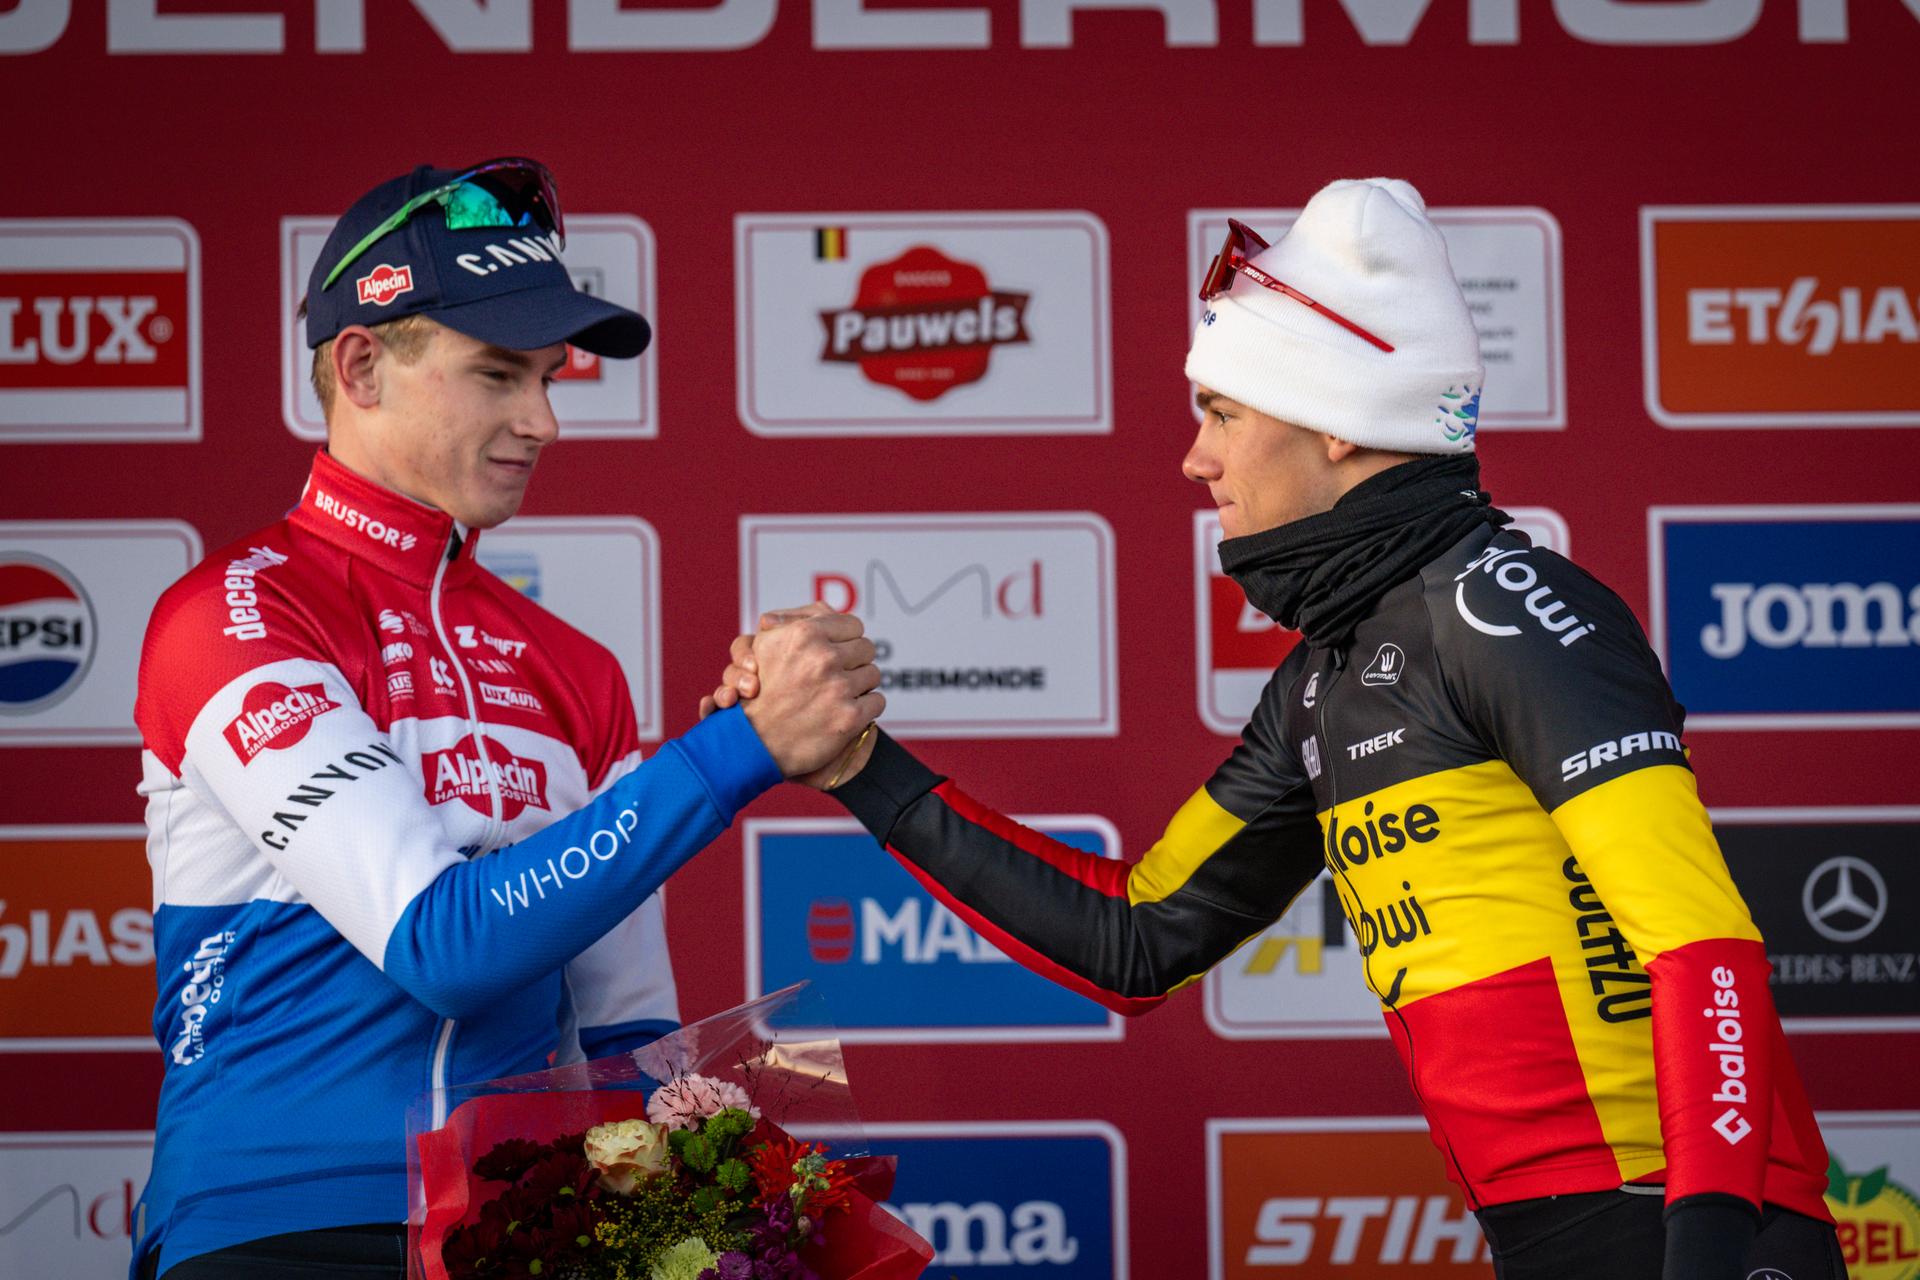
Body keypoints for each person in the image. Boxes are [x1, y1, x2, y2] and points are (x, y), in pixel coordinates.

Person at [708, 179, 1842, 1280]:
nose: (1194, 457)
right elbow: (1139, 935)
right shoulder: (1326, 673)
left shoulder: (1509, 610)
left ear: (1338, 426)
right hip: (1556, 1232)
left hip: (1692, 1217)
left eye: (1220, 410)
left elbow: (1705, 951)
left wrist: (1704, 1244)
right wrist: (861, 766)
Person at [131, 157, 882, 1279]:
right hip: (282, 1223)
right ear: (362, 365)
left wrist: (703, 1222)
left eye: (548, 378)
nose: (542, 419)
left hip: (518, 1238)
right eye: (496, 375)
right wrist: (740, 748)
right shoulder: (235, 616)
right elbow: (444, 944)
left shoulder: (573, 667)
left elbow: (628, 1038)